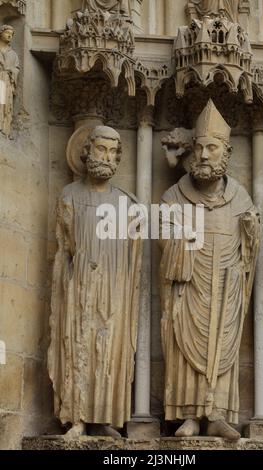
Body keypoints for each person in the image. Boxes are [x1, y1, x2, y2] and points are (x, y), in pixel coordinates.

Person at [159, 100, 260, 440]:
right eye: (199, 148)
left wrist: (251, 231)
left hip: (227, 285)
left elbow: (251, 247)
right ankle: (189, 415)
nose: (203, 155)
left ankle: (217, 413)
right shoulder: (175, 196)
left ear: (226, 152)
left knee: (225, 344)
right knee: (184, 344)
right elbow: (162, 235)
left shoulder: (241, 198)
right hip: (189, 285)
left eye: (212, 148)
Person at [48, 126, 142, 438]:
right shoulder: (69, 195)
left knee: (108, 351)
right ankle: (76, 416)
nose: (107, 157)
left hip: (114, 290)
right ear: (86, 151)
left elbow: (133, 256)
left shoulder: (128, 204)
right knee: (78, 347)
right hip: (80, 287)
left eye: (113, 152)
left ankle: (103, 416)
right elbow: (64, 247)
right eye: (100, 149)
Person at [0, 25, 19, 136]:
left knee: (5, 105)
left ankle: (4, 128)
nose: (9, 36)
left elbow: (16, 68)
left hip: (6, 81)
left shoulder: (13, 54)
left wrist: (11, 71)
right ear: (1, 33)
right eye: (7, 32)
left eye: (11, 34)